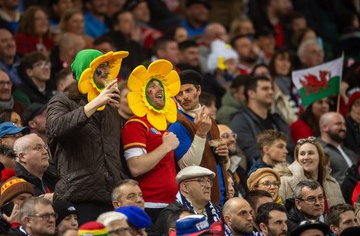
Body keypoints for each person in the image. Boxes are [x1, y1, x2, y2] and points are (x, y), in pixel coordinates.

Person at [46, 49, 129, 224]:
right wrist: (94, 104)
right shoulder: (63, 100)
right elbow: (55, 128)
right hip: (78, 198)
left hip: (110, 197)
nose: (107, 71)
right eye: (102, 66)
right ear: (86, 70)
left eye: (108, 66)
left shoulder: (110, 106)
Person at [121, 59, 180, 222]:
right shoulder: (136, 124)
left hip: (170, 204)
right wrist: (166, 147)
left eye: (160, 85)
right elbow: (135, 166)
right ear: (143, 91)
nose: (159, 88)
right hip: (149, 206)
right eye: (152, 86)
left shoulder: (163, 125)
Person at [169, 70, 229, 206]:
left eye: (188, 90)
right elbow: (186, 167)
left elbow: (219, 164)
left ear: (199, 90)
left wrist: (226, 156)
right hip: (198, 203)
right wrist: (201, 134)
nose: (184, 97)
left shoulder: (211, 121)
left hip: (221, 197)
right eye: (179, 93)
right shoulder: (177, 124)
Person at [230, 76, 294, 166]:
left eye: (271, 88)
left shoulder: (277, 120)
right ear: (251, 93)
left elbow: (291, 148)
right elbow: (252, 154)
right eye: (265, 89)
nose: (271, 92)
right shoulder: (240, 121)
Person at [279, 136, 345, 206]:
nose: (306, 157)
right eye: (302, 154)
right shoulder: (284, 182)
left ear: (320, 156)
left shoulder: (333, 183)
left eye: (310, 153)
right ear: (297, 159)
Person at [156, 166, 221, 235]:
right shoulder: (171, 214)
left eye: (208, 181)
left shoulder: (219, 211)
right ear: (185, 187)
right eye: (201, 181)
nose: (208, 186)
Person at [319, 112, 357, 184]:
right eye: (338, 124)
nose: (344, 128)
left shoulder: (349, 151)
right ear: (324, 127)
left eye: (344, 125)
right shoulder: (317, 150)